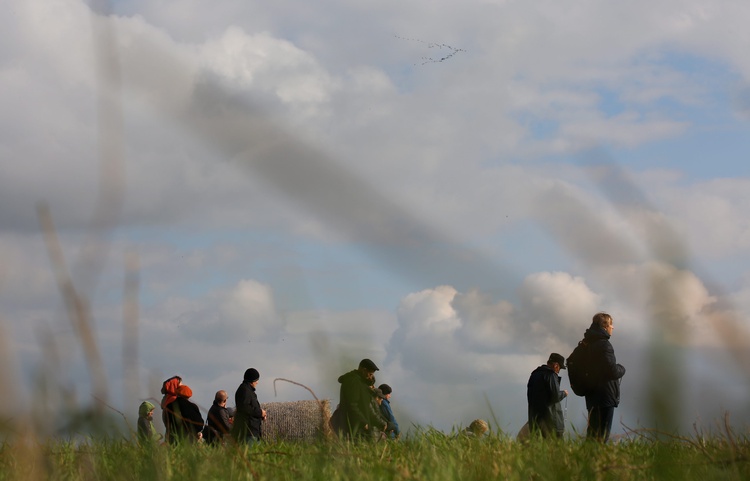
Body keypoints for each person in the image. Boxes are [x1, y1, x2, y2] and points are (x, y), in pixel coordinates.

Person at [583, 312, 626, 442]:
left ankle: (586, 459)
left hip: (591, 394)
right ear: (605, 326)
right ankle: (597, 460)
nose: (613, 328)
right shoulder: (604, 345)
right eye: (611, 325)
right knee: (602, 435)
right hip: (605, 396)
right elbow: (612, 371)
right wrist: (622, 368)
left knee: (592, 433)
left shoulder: (587, 344)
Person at [330, 358, 380, 439]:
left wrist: (371, 381)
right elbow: (352, 405)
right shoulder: (353, 381)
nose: (371, 377)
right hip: (354, 425)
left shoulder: (359, 381)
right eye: (370, 374)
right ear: (364, 370)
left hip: (356, 424)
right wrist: (363, 422)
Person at [527, 352, 568, 438]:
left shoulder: (534, 374)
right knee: (557, 448)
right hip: (550, 421)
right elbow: (555, 396)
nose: (558, 371)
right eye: (559, 368)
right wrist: (564, 393)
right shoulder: (551, 375)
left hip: (535, 419)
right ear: (556, 365)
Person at [232, 368, 266, 443]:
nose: (257, 382)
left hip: (253, 431)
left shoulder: (247, 390)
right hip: (249, 432)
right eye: (256, 380)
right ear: (252, 381)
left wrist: (261, 415)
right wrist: (260, 412)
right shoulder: (245, 390)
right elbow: (245, 408)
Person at [160, 375, 182, 442]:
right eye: (180, 384)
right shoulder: (173, 400)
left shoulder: (167, 399)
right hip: (175, 433)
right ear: (174, 385)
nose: (182, 386)